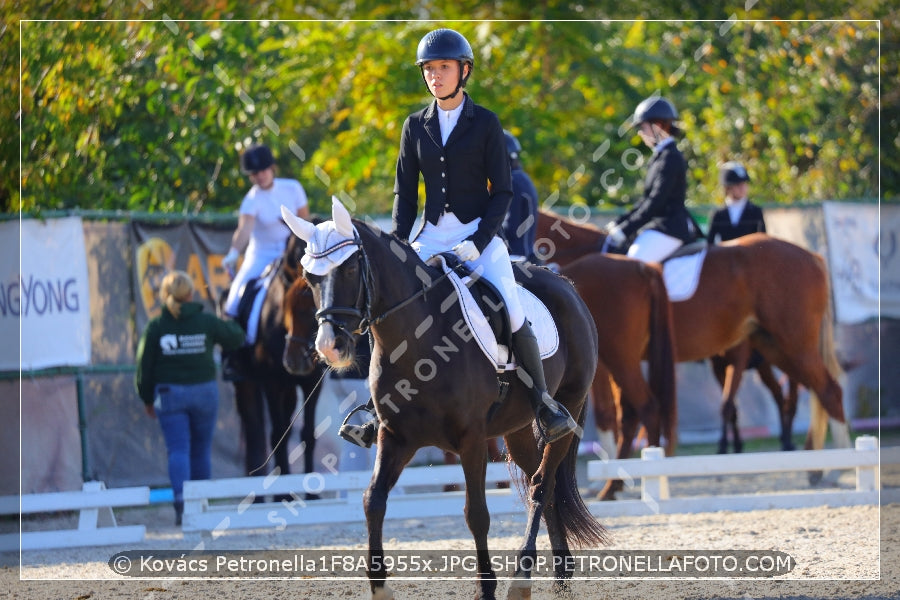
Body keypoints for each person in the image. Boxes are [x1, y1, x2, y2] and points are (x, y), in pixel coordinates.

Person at [338, 28, 576, 448]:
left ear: (463, 71)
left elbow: (502, 192)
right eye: (429, 69)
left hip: (477, 236)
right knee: (385, 304)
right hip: (429, 238)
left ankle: (543, 403)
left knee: (511, 305)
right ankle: (375, 411)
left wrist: (481, 240)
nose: (435, 76)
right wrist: (397, 246)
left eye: (443, 67)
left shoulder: (485, 123)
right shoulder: (414, 126)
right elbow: (404, 195)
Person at [135, 270, 245, 525]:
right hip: (204, 393)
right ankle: (201, 507)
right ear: (191, 294)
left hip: (169, 395)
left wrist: (147, 399)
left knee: (178, 450)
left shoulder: (156, 326)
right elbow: (236, 337)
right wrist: (227, 320)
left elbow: (144, 368)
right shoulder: (205, 322)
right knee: (201, 451)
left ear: (164, 296)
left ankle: (182, 507)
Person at [221, 144, 310, 319]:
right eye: (255, 173)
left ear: (272, 168)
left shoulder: (293, 188)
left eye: (263, 171)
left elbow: (305, 221)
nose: (260, 176)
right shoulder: (251, 200)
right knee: (234, 297)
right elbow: (244, 229)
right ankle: (234, 334)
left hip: (293, 252)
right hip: (262, 254)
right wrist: (233, 252)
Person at [606, 96, 700, 262]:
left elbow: (656, 202)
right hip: (657, 228)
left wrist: (626, 229)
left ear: (657, 126)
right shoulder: (659, 157)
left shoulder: (671, 157)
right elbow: (645, 200)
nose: (640, 134)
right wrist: (620, 222)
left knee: (634, 261)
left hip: (669, 228)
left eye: (643, 128)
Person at [501, 129, 540, 262]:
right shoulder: (520, 179)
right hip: (522, 252)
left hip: (514, 255)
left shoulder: (513, 182)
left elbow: (509, 227)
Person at [707, 161, 766, 244]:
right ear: (728, 187)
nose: (742, 188)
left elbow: (763, 242)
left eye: (744, 184)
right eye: (738, 184)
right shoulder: (718, 214)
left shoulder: (756, 212)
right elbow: (710, 244)